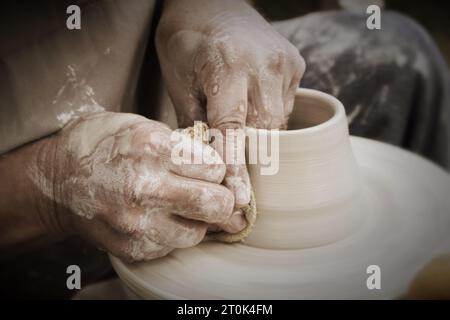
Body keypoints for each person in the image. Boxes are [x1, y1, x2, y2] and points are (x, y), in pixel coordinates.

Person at [0, 0, 448, 298]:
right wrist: (55, 188)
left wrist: (208, 12)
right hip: (27, 221)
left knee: (397, 56)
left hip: (175, 94)